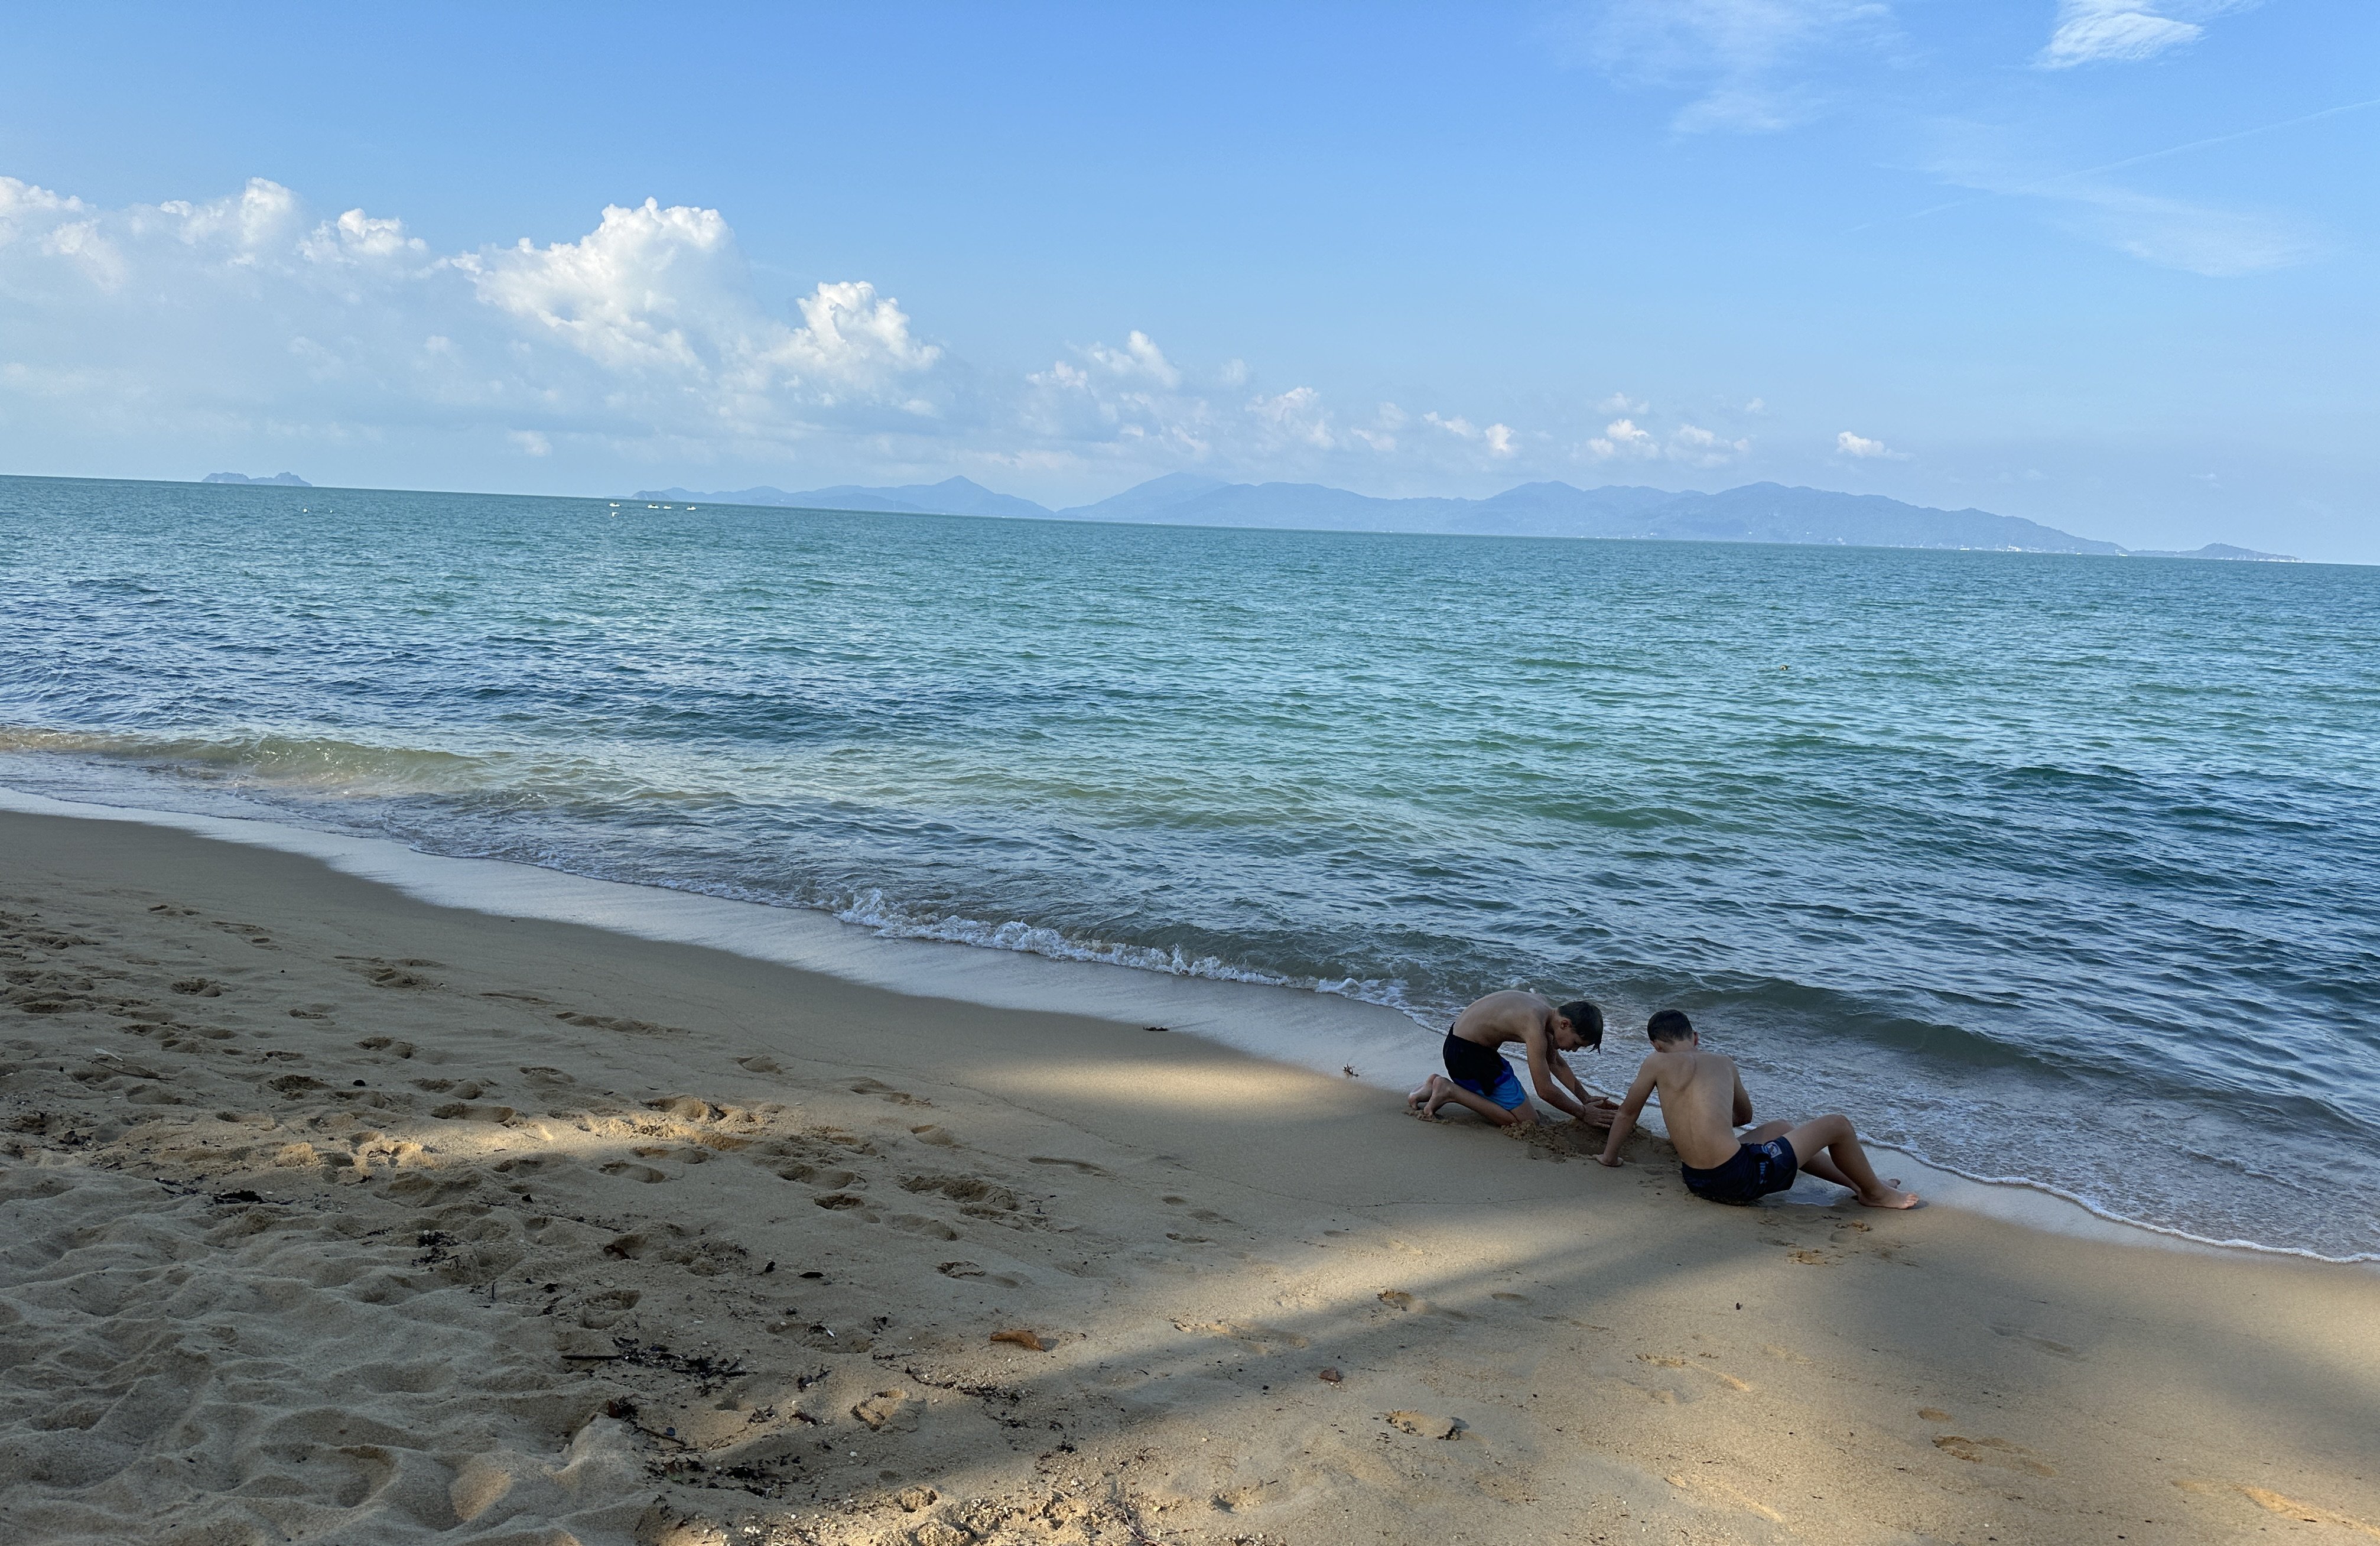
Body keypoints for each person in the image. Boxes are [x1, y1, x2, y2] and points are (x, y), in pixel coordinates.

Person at [1597, 1009, 1919, 1209]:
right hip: (1738, 1180)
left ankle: (1860, 1185)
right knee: (1838, 1124)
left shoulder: (1655, 1063)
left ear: (1656, 1045)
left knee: (1781, 1128)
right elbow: (1744, 1117)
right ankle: (1877, 1194)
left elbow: (1627, 1113)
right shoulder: (1723, 1062)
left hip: (1696, 1180)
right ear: (1695, 1037)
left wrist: (1610, 1157)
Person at [1407, 990, 1618, 1128]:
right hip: (1467, 1058)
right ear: (1565, 1024)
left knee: (1520, 1104)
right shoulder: (1534, 1027)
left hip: (1468, 1048)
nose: (1573, 1050)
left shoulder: (1544, 1009)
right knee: (1527, 1121)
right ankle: (1448, 1090)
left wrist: (1585, 1098)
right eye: (1576, 1044)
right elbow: (1544, 1090)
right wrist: (1583, 1114)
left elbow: (1555, 1062)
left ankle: (1432, 1084)